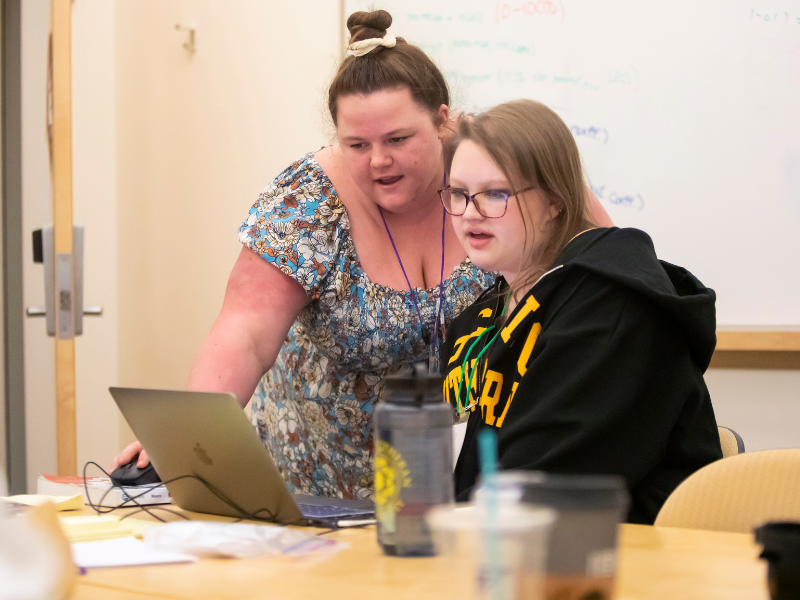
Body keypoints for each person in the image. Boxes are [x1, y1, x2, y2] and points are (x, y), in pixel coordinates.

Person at [439, 99, 722, 524]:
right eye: (459, 194)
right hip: (491, 556)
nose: (469, 214)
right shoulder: (478, 320)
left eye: (496, 194)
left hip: (618, 568)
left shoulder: (612, 308)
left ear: (555, 200)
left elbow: (542, 488)